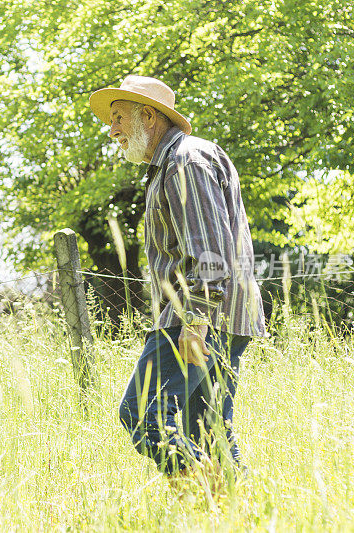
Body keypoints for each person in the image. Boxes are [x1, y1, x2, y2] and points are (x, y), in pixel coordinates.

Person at [89, 75, 266, 488]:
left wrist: (196, 319)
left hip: (201, 315)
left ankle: (203, 501)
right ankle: (232, 517)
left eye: (118, 118)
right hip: (225, 315)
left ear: (148, 116)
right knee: (210, 430)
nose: (111, 130)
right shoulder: (176, 162)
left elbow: (209, 247)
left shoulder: (185, 160)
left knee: (143, 413)